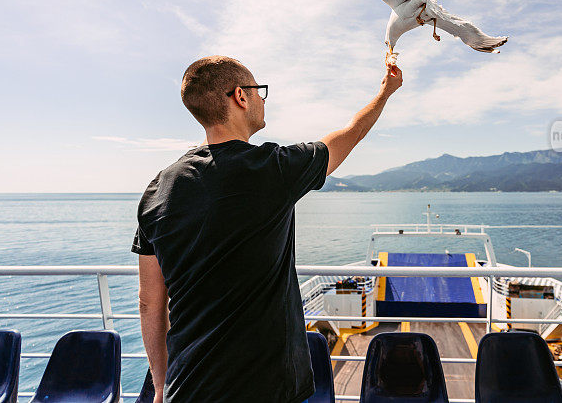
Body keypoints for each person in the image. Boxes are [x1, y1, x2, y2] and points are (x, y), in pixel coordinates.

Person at [131, 55, 403, 402]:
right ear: (240, 97)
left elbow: (149, 302)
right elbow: (349, 134)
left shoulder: (157, 190)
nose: (262, 99)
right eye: (259, 91)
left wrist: (160, 384)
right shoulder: (272, 169)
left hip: (188, 386)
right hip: (268, 385)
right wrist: (385, 93)